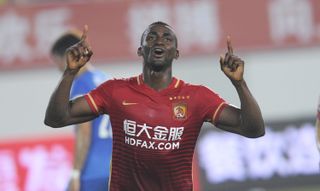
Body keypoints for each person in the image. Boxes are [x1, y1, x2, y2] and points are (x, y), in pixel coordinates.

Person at [45, 22, 265, 191]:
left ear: (176, 53)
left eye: (167, 38)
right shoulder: (114, 91)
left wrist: (240, 84)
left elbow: (253, 129)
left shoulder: (197, 97)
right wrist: (69, 72)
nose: (159, 41)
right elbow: (56, 118)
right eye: (151, 37)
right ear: (141, 50)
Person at [50, 30, 112, 191]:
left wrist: (75, 174)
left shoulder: (81, 84)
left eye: (56, 62)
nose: (58, 68)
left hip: (93, 171)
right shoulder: (105, 79)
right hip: (116, 168)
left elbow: (84, 132)